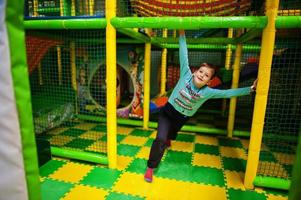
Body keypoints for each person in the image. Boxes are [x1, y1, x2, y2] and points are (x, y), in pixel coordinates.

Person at [144, 30, 258, 183]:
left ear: (209, 81)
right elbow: (183, 53)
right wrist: (182, 34)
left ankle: (169, 138)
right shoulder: (186, 74)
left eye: (206, 75)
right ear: (195, 71)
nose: (201, 75)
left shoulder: (208, 92)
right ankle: (151, 168)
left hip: (182, 118)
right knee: (160, 140)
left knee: (171, 135)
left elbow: (228, 93)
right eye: (200, 71)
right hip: (167, 112)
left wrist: (250, 89)